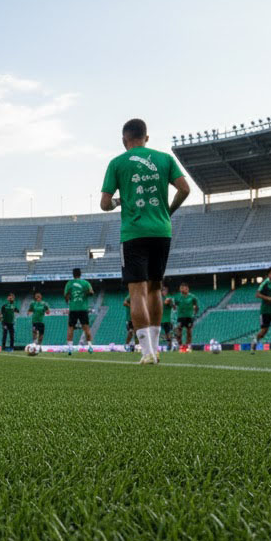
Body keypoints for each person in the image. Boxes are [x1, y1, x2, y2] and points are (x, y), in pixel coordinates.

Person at [100, 118, 190, 364]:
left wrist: (119, 201)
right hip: (161, 231)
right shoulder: (164, 159)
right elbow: (185, 189)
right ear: (146, 137)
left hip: (133, 233)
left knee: (137, 290)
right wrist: (167, 211)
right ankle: (156, 348)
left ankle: (147, 351)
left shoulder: (117, 163)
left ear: (123, 140)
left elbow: (105, 204)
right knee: (155, 289)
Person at [252, 268, 271, 351]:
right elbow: (257, 294)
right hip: (265, 310)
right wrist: (268, 298)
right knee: (264, 331)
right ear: (269, 274)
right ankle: (255, 341)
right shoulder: (265, 283)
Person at [64, 269, 94, 354]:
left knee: (70, 328)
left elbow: (66, 296)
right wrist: (85, 293)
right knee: (86, 328)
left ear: (73, 274)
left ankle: (70, 348)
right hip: (83, 309)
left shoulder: (69, 283)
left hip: (73, 309)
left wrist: (68, 300)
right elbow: (91, 292)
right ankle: (90, 347)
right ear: (80, 274)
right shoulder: (85, 283)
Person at [173, 283, 199, 349]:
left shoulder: (193, 297)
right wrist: (173, 306)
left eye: (182, 288)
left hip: (189, 317)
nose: (181, 290)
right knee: (179, 332)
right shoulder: (177, 297)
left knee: (189, 332)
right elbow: (174, 306)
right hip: (180, 317)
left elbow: (196, 306)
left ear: (187, 289)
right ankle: (180, 345)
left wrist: (195, 313)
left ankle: (188, 346)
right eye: (180, 288)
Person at [159, 285, 176, 352]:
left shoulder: (168, 298)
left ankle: (170, 346)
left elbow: (174, 307)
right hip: (158, 319)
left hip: (166, 320)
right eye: (163, 290)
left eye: (165, 290)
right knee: (156, 333)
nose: (164, 292)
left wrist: (171, 303)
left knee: (167, 334)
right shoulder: (159, 298)